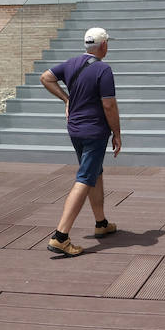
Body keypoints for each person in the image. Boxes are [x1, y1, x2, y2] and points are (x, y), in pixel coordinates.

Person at [41, 26, 122, 256]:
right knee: (85, 177)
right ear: (104, 45)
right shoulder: (103, 70)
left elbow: (45, 77)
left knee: (94, 172)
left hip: (75, 129)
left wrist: (66, 99)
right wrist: (116, 132)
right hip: (94, 131)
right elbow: (109, 104)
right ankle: (61, 236)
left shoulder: (71, 63)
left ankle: (101, 223)